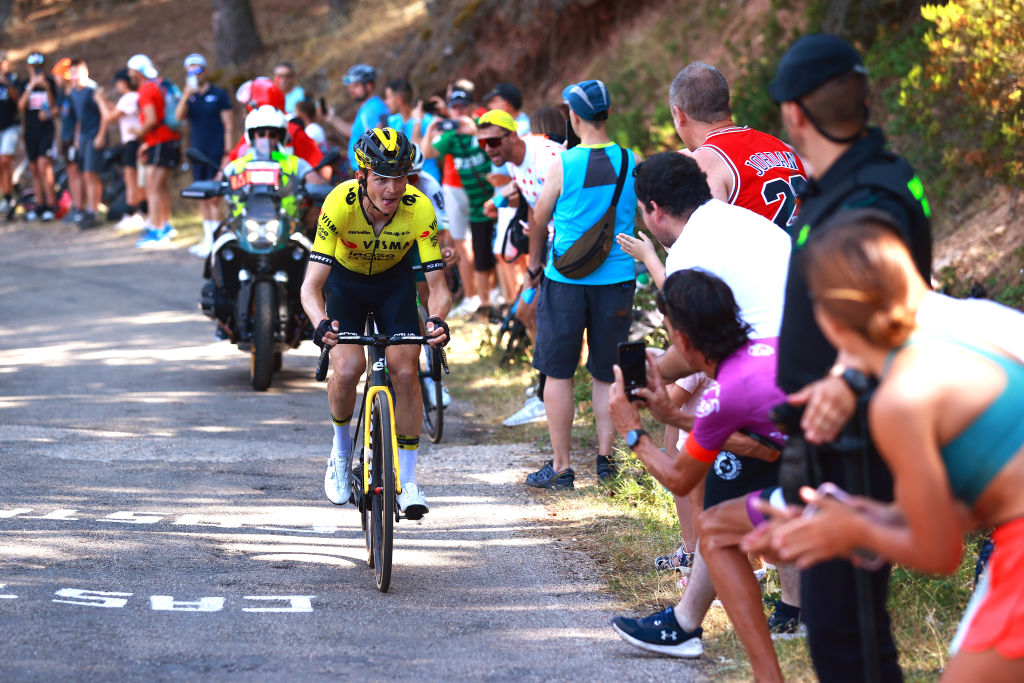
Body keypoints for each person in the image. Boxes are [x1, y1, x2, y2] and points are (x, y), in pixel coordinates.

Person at [751, 212, 1024, 683]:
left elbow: (941, 553)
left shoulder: (900, 398)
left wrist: (853, 530)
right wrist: (860, 516)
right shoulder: (953, 338)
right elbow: (969, 506)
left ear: (829, 322)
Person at [766, 34, 933, 682]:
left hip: (859, 440)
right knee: (838, 634)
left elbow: (884, 272)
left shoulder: (869, 196)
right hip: (829, 439)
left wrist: (852, 374)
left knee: (851, 636)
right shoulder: (854, 180)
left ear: (794, 114)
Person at [611, 152, 799, 665]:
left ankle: (685, 625)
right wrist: (669, 397)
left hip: (762, 378)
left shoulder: (688, 255)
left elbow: (677, 472)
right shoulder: (742, 220)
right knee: (774, 475)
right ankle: (795, 610)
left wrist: (640, 410)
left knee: (718, 506)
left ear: (652, 210)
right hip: (810, 363)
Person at [300, 127, 451, 518]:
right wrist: (321, 325)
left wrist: (437, 319)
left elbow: (438, 286)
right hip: (346, 284)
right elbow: (310, 286)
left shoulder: (418, 208)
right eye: (381, 178)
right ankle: (340, 452)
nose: (391, 188)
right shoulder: (338, 204)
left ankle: (410, 481)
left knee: (405, 373)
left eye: (399, 177)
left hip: (392, 285)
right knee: (348, 369)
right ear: (361, 176)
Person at [519, 79, 637, 489]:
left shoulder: (563, 164)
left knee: (559, 372)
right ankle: (607, 461)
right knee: (606, 371)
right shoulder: (629, 159)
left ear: (573, 115)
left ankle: (562, 466)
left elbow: (539, 216)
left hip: (566, 279)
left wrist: (534, 262)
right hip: (619, 278)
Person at [477, 108, 563, 427]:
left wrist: (539, 260)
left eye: (493, 141)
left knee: (538, 312)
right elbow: (530, 202)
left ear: (512, 135)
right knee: (526, 313)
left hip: (566, 243)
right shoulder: (514, 161)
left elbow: (556, 204)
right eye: (483, 144)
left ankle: (549, 391)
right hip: (547, 246)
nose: (488, 149)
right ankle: (547, 383)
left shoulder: (544, 155)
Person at [669, 62, 806, 230]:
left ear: (680, 115)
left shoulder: (703, 164)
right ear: (727, 105)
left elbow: (706, 244)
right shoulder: (786, 147)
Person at [416, 89, 496, 321]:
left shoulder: (482, 125)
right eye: (455, 107)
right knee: (467, 245)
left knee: (493, 250)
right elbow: (426, 152)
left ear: (471, 106)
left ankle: (489, 296)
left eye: (463, 106)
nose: (459, 112)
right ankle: (475, 298)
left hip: (489, 193)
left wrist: (476, 130)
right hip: (462, 192)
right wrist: (431, 129)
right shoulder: (451, 136)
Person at [175, 53, 233, 257]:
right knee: (201, 196)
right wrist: (185, 96)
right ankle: (209, 236)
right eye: (190, 70)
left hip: (216, 151)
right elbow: (178, 117)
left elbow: (228, 125)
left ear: (205, 71)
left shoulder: (219, 95)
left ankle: (218, 239)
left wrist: (227, 153)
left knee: (214, 198)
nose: (194, 74)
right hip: (197, 152)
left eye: (197, 70)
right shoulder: (190, 97)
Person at [127, 54, 181, 247]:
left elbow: (150, 119)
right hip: (165, 141)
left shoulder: (146, 90)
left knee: (153, 187)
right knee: (161, 186)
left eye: (131, 70)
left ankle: (157, 230)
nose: (128, 74)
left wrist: (139, 132)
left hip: (160, 141)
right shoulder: (157, 85)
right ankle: (165, 224)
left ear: (138, 72)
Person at [96, 69, 145, 231]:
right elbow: (117, 110)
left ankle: (134, 213)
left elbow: (109, 117)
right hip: (133, 143)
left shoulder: (130, 97)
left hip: (133, 143)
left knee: (132, 179)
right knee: (134, 179)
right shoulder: (132, 98)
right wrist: (104, 101)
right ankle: (137, 212)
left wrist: (100, 101)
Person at [323, 64, 389, 174]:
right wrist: (333, 119)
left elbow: (377, 145)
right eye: (350, 86)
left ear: (368, 86)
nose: (351, 89)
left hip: (366, 171)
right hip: (361, 169)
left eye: (356, 85)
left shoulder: (372, 110)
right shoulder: (368, 107)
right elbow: (355, 133)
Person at [19, 52, 57, 222]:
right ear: (28, 67)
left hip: (46, 131)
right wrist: (30, 86)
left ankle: (51, 204)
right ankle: (39, 205)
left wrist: (46, 87)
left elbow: (55, 106)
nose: (36, 70)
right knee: (34, 169)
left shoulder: (49, 82)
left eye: (38, 67)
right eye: (33, 67)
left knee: (44, 166)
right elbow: (20, 106)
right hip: (30, 131)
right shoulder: (24, 84)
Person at [67, 59, 102, 229]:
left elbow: (104, 114)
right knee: (84, 173)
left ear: (85, 71)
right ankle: (89, 209)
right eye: (72, 73)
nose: (74, 76)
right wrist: (76, 138)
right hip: (83, 138)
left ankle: (94, 210)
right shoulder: (74, 93)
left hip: (95, 135)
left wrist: (101, 135)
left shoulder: (92, 90)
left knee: (91, 173)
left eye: (77, 72)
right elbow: (78, 118)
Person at [384, 78, 439, 181]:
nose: (386, 102)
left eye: (388, 97)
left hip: (428, 182)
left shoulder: (427, 121)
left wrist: (417, 123)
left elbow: (423, 152)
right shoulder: (392, 121)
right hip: (405, 184)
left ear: (399, 99)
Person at [52, 57, 82, 223]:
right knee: (71, 172)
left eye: (57, 76)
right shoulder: (63, 93)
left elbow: (79, 118)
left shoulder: (75, 93)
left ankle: (80, 207)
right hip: (65, 137)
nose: (56, 79)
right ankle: (75, 206)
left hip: (74, 138)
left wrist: (76, 138)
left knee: (76, 172)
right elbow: (57, 111)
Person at [0, 51, 22, 216]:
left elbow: (19, 101)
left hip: (11, 126)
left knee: (5, 160)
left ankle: (9, 194)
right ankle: (8, 194)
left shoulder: (13, 79)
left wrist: (5, 83)